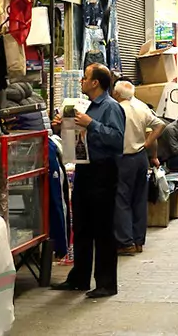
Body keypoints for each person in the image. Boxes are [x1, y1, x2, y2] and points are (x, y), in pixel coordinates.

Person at [51, 64, 125, 298]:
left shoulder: (110, 107)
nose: (81, 81)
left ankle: (106, 283)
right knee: (81, 226)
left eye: (85, 78)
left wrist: (91, 123)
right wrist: (62, 126)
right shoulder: (88, 106)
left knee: (102, 229)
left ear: (95, 83)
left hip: (103, 171)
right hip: (85, 168)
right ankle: (79, 278)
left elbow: (117, 139)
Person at [111, 80, 165, 256]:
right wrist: (147, 143)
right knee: (139, 199)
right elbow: (160, 125)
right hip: (141, 157)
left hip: (124, 158)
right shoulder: (141, 106)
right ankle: (138, 241)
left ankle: (126, 242)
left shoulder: (116, 108)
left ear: (117, 94)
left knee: (122, 200)